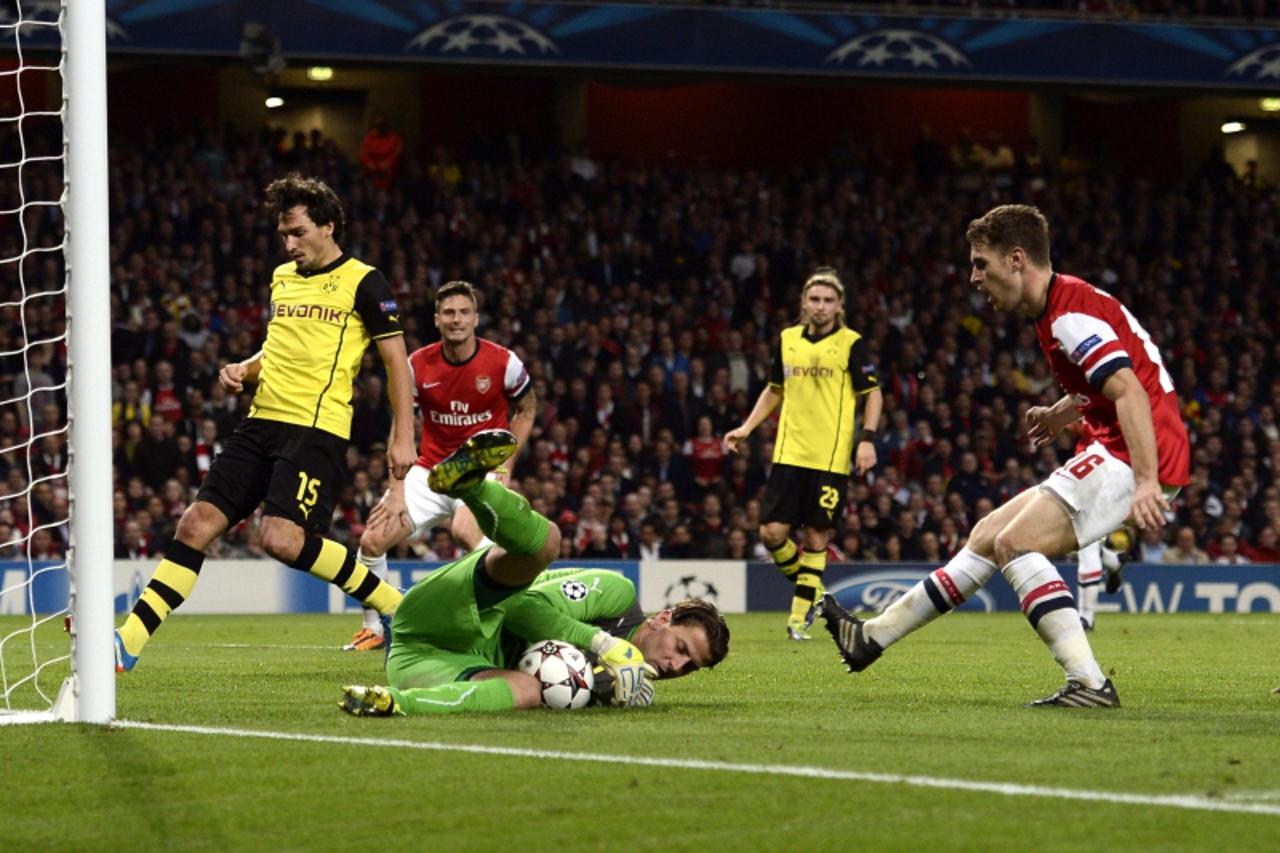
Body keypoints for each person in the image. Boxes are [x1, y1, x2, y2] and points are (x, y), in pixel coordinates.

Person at [822, 204, 1190, 707]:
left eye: (981, 263)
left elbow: (1130, 392)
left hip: (1135, 451)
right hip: (1119, 444)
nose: (974, 277)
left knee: (1016, 544)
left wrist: (1148, 481)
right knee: (987, 536)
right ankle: (871, 638)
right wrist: (1064, 410)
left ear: (1016, 259)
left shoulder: (1067, 318)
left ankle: (1089, 684)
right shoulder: (1059, 307)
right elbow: (1111, 379)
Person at [113, 173, 416, 671]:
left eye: (297, 232)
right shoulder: (282, 278)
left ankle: (393, 606)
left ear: (328, 226)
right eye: (283, 235)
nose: (289, 243)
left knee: (279, 538)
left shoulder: (364, 281)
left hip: (315, 428)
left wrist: (403, 436)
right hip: (261, 421)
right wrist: (243, 368)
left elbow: (395, 362)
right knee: (195, 524)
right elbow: (276, 349)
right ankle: (128, 641)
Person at [339, 429, 730, 715]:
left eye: (690, 666)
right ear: (663, 619)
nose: (676, 667)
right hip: (448, 616)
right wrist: (601, 642)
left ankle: (389, 702)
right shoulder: (617, 596)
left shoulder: (623, 686)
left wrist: (605, 689)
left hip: (420, 665)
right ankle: (471, 485)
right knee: (546, 544)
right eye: (681, 649)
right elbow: (522, 608)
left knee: (526, 692)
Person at [343, 280, 536, 652]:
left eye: (464, 312)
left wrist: (506, 464)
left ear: (476, 318)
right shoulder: (416, 365)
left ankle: (499, 624)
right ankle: (375, 627)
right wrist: (397, 491)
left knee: (468, 534)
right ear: (437, 319)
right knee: (371, 540)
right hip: (430, 471)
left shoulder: (503, 362)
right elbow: (401, 427)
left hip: (478, 470)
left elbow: (527, 408)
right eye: (449, 312)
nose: (456, 319)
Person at [725, 268, 881, 641]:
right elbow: (774, 389)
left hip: (829, 459)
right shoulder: (787, 339)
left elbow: (872, 392)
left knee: (815, 538)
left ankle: (798, 616)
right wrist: (747, 427)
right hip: (789, 453)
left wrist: (867, 438)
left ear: (839, 305)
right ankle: (811, 592)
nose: (821, 306)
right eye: (815, 299)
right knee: (771, 533)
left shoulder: (851, 343)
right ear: (804, 303)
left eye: (828, 300)